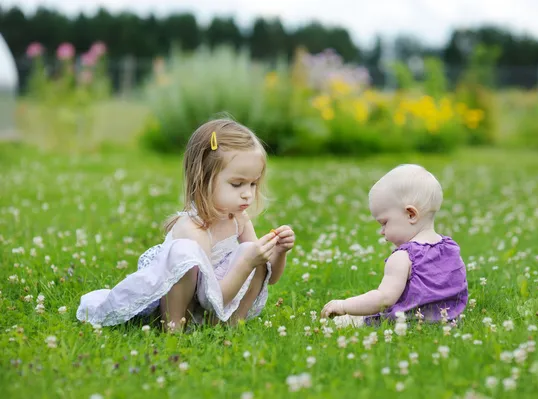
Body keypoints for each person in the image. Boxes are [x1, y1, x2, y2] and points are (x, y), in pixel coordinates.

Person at [76, 118, 295, 331]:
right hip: (191, 304)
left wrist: (278, 252)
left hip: (219, 302)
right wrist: (246, 261)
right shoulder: (193, 229)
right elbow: (210, 299)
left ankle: (233, 324)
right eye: (237, 184)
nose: (248, 194)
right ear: (202, 179)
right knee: (193, 254)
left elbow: (270, 277)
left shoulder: (239, 219)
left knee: (251, 250)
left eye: (253, 184)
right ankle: (175, 328)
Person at [321, 164, 468, 327]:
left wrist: (344, 305)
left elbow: (383, 299)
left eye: (384, 223)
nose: (382, 232)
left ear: (411, 214)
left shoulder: (403, 257)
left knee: (352, 321)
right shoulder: (451, 248)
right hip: (449, 321)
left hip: (406, 323)